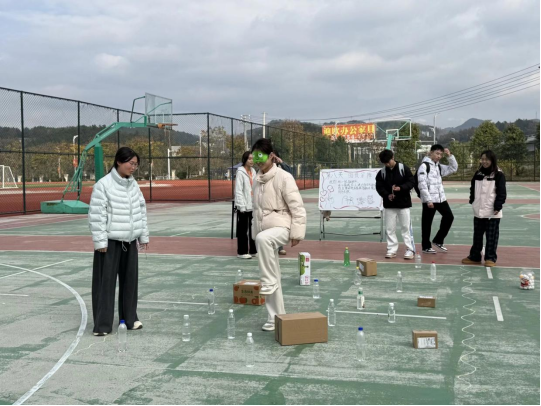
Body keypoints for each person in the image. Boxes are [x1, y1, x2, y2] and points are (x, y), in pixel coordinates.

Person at [89, 147, 150, 337]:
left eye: (136, 165)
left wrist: (143, 236)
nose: (133, 167)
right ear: (119, 162)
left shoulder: (134, 185)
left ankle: (129, 319)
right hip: (109, 243)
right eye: (131, 163)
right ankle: (102, 325)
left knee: (130, 282)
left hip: (129, 241)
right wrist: (100, 242)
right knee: (105, 284)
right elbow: (97, 215)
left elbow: (141, 210)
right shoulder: (103, 185)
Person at [251, 139, 307, 332]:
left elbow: (297, 206)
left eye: (261, 156)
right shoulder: (257, 179)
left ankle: (267, 281)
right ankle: (275, 317)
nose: (258, 160)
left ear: (271, 156)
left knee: (264, 242)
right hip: (264, 229)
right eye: (255, 156)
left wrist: (297, 232)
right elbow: (257, 209)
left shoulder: (284, 177)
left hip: (282, 226)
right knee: (273, 272)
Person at [463, 151, 507, 268]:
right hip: (478, 209)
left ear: (492, 160)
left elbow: (502, 192)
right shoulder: (478, 173)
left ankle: (490, 258)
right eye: (482, 159)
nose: (484, 161)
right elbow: (473, 188)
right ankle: (475, 257)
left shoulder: (498, 174)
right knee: (477, 235)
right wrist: (472, 200)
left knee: (491, 236)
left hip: (492, 211)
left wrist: (498, 206)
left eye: (487, 159)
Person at [375, 150, 416, 260]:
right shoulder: (382, 173)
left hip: (404, 204)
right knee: (390, 229)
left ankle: (410, 249)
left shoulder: (403, 168)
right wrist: (387, 195)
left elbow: (411, 182)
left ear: (393, 157)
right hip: (389, 205)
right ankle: (391, 249)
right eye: (385, 163)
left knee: (405, 228)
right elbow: (379, 187)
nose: (387, 164)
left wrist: (401, 188)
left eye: (388, 162)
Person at [418, 145, 458, 254]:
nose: (439, 156)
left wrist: (450, 156)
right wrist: (428, 200)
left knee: (449, 217)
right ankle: (426, 247)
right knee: (427, 224)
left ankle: (438, 240)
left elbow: (453, 168)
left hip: (441, 199)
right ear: (431, 153)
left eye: (441, 154)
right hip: (429, 200)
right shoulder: (424, 166)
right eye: (437, 153)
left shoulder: (438, 166)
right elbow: (422, 185)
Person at [235, 151, 258, 259]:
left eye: (253, 159)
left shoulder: (253, 171)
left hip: (252, 205)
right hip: (244, 206)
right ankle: (242, 252)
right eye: (249, 159)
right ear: (245, 160)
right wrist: (241, 206)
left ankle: (253, 250)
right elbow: (238, 190)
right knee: (243, 230)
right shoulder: (240, 172)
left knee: (253, 228)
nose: (252, 161)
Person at [272, 151, 293, 256]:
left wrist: (281, 162)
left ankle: (280, 247)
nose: (272, 159)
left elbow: (290, 172)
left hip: (280, 200)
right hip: (269, 199)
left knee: (279, 223)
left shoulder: (281, 169)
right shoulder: (265, 168)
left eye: (274, 157)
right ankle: (270, 246)